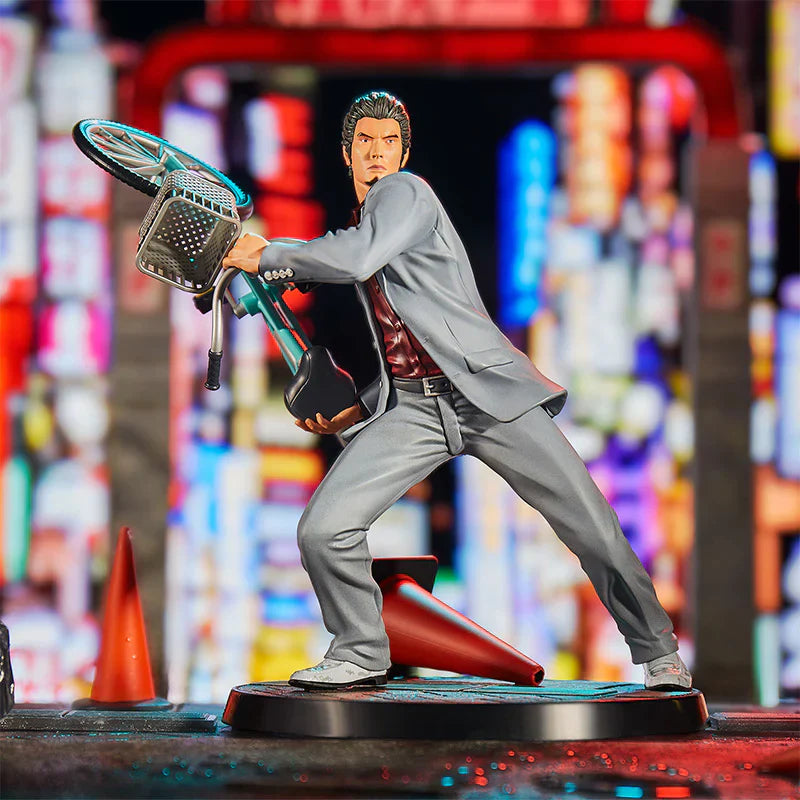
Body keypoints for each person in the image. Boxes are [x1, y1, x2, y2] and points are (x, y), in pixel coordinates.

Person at [223, 90, 692, 692]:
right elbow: (405, 340)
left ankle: (659, 654)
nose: (377, 152)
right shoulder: (371, 226)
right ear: (346, 153)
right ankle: (360, 650)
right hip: (415, 407)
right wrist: (361, 408)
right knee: (324, 528)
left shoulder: (404, 194)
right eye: (365, 141)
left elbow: (354, 259)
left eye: (389, 141)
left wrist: (266, 253)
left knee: (589, 525)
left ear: (404, 153)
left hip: (486, 394)